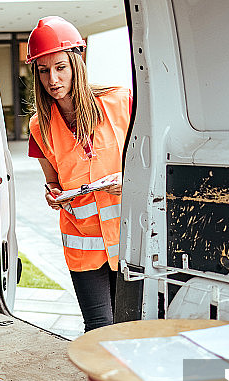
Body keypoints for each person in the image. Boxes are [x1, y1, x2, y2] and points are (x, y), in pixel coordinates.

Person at [25, 16, 132, 332]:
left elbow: (149, 164)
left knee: (131, 324)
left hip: (127, 236)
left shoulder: (120, 101)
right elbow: (53, 181)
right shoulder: (37, 126)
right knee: (99, 325)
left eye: (60, 67)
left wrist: (130, 182)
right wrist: (53, 193)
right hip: (83, 239)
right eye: (43, 71)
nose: (52, 79)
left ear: (76, 64)